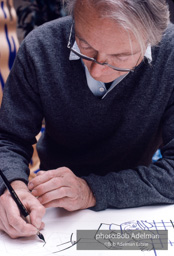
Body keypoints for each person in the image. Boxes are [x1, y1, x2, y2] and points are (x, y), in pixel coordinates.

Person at [0, 0, 173, 239]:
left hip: (140, 207)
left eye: (120, 57)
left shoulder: (171, 54)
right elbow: (8, 139)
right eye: (85, 46)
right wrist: (12, 188)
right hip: (55, 209)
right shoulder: (40, 47)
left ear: (153, 39)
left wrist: (92, 191)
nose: (96, 72)